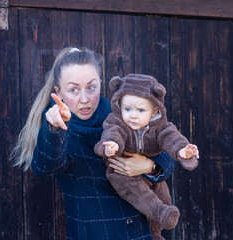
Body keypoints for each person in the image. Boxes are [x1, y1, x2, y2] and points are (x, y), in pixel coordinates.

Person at [10, 47, 176, 240]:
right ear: (59, 92)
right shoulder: (59, 129)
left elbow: (167, 160)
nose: (85, 99)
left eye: (91, 87)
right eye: (73, 90)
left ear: (100, 83)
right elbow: (44, 165)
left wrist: (149, 167)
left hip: (140, 234)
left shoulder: (122, 116)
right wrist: (54, 129)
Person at [94, 74, 199, 240]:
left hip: (148, 174)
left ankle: (156, 232)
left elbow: (171, 136)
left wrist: (182, 150)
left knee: (162, 193)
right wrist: (112, 144)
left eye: (141, 110)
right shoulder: (117, 122)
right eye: (127, 109)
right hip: (122, 173)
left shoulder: (159, 126)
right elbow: (113, 133)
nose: (133, 115)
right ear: (119, 105)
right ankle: (160, 212)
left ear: (154, 111)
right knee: (140, 193)